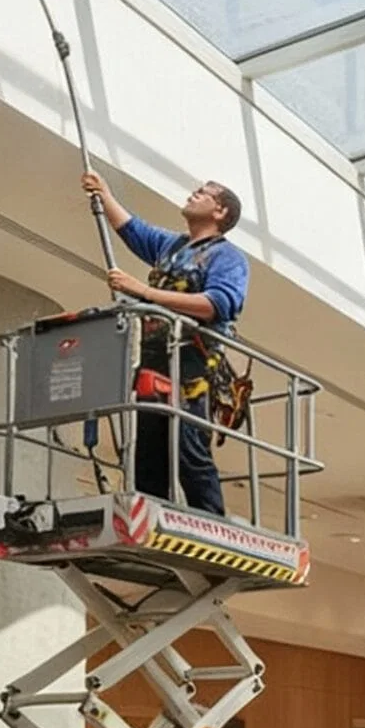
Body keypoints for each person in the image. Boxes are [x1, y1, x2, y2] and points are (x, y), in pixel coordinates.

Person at [80, 170, 248, 517]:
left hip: (193, 363)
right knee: (148, 450)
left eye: (204, 193)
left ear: (220, 211)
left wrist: (144, 292)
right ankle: (151, 516)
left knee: (188, 447)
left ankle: (210, 520)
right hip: (155, 360)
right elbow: (133, 230)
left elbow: (217, 304)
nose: (193, 193)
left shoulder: (226, 257)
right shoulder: (173, 247)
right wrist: (104, 194)